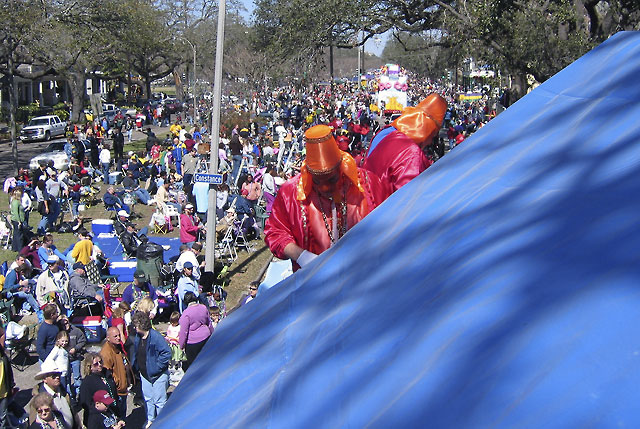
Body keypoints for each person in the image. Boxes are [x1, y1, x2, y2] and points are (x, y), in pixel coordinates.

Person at [264, 124, 390, 270]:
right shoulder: (291, 193)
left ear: (341, 168)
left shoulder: (367, 184)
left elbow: (392, 220)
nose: (326, 188)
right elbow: (275, 232)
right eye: (318, 181)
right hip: (315, 279)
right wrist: (301, 255)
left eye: (332, 179)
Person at [363, 94, 448, 192]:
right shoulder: (412, 153)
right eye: (432, 136)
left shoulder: (385, 133)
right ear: (426, 130)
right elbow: (409, 195)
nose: (429, 142)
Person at [131, 311, 171, 428]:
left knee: (160, 401)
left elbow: (166, 353)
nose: (134, 328)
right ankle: (150, 420)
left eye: (136, 325)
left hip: (158, 375)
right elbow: (137, 353)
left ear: (141, 325)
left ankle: (162, 423)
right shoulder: (138, 337)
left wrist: (156, 368)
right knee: (148, 399)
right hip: (144, 374)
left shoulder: (156, 337)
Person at [32, 361, 79, 429]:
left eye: (58, 374)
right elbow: (33, 421)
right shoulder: (39, 399)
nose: (57, 377)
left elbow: (72, 410)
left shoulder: (62, 390)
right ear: (45, 379)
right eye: (53, 376)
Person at [78, 353, 121, 428]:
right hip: (97, 417)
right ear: (90, 367)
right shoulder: (87, 382)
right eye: (96, 364)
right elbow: (85, 403)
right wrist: (98, 408)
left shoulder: (107, 374)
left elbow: (113, 391)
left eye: (100, 362)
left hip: (112, 410)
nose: (100, 365)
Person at [100, 328, 133, 418]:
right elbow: (107, 374)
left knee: (123, 414)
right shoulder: (106, 353)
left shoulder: (117, 346)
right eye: (115, 336)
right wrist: (117, 384)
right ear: (108, 338)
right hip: (117, 392)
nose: (118, 338)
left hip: (123, 388)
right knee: (118, 416)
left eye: (119, 335)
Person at [178, 292, 213, 372]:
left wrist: (181, 345)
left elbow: (183, 331)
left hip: (193, 343)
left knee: (195, 367)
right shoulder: (203, 307)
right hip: (206, 337)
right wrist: (212, 333)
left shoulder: (186, 314)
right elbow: (209, 323)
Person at [58, 316, 86, 399]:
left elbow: (83, 341)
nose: (65, 325)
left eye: (66, 323)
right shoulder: (59, 333)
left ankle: (79, 394)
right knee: (66, 378)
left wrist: (76, 348)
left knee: (77, 377)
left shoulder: (76, 331)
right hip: (64, 360)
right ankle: (70, 396)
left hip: (75, 358)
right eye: (62, 324)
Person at [0, 325, 16, 429]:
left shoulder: (3, 359)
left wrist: (11, 386)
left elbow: (9, 373)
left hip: (3, 393)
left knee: (2, 418)